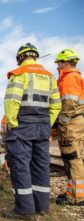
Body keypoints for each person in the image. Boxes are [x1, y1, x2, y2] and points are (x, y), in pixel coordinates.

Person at [3, 43, 61, 220]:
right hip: (42, 126)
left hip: (23, 125)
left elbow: (11, 102)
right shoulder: (50, 77)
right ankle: (41, 206)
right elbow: (56, 105)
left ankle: (25, 210)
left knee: (20, 166)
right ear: (35, 56)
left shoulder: (19, 74)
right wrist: (46, 124)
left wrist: (13, 123)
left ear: (20, 57)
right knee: (41, 166)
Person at [54, 48, 84, 206]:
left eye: (59, 63)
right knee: (74, 160)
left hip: (71, 124)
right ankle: (72, 193)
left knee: (73, 160)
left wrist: (62, 123)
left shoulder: (70, 78)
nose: (57, 67)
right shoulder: (74, 77)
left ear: (65, 63)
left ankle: (77, 197)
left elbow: (68, 104)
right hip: (76, 122)